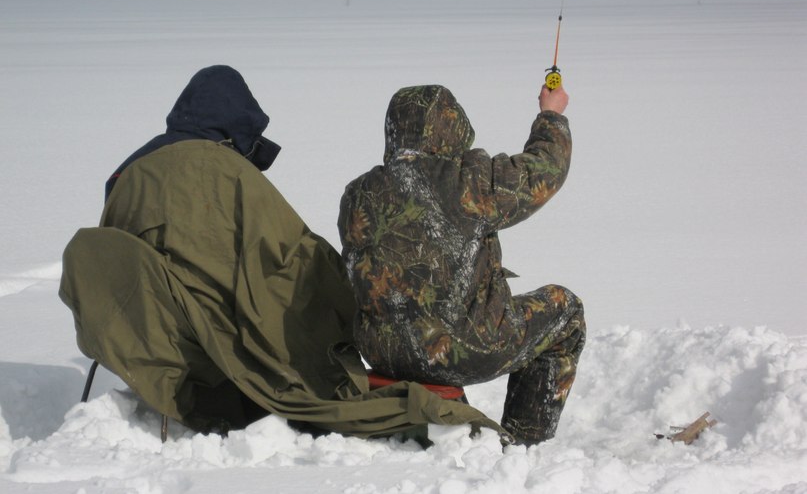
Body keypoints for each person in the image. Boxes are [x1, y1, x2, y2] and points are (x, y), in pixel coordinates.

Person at [59, 65, 498, 440]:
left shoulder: (126, 173)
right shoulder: (226, 170)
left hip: (152, 336)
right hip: (224, 344)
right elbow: (288, 254)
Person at [338, 83, 586, 445]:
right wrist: (551, 115)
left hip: (382, 352)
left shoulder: (358, 192)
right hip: (453, 351)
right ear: (450, 128)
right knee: (566, 312)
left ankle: (451, 425)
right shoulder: (467, 180)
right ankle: (525, 446)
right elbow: (543, 172)